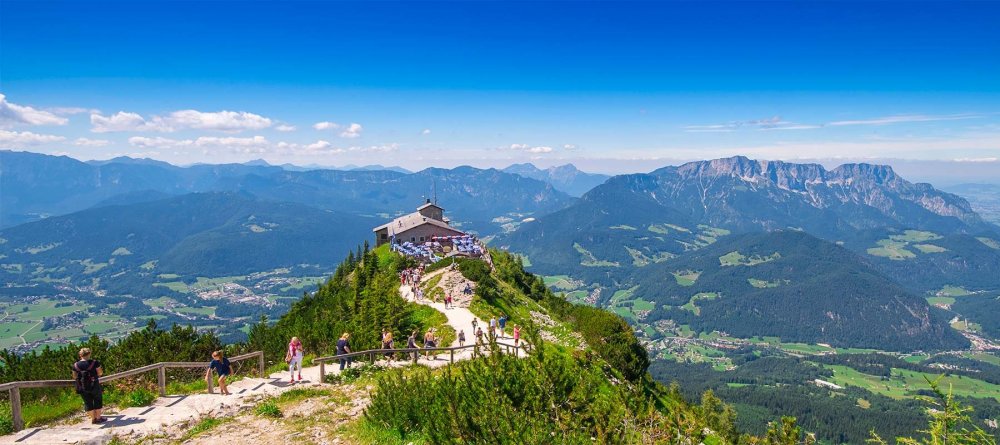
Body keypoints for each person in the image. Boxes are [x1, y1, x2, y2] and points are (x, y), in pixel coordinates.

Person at [71, 347, 106, 424]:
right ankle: (98, 418)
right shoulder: (95, 362)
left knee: (87, 402)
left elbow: (74, 376)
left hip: (82, 386)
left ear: (80, 355)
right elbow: (100, 373)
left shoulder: (76, 365)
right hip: (94, 384)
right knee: (97, 400)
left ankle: (93, 419)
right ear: (89, 354)